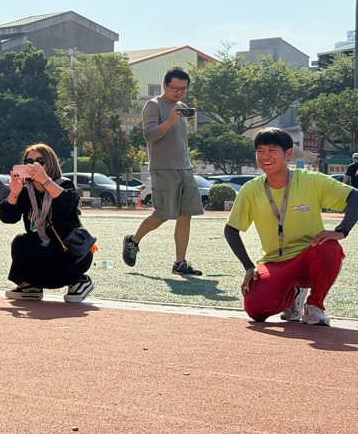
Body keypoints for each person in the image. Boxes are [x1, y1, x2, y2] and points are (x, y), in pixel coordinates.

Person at [224, 128, 358, 327]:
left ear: (287, 154)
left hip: (309, 257)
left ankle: (315, 306)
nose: (265, 156)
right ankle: (293, 295)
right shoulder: (251, 189)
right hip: (274, 262)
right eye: (260, 151)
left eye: (272, 150)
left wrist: (342, 230)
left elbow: (355, 196)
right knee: (256, 310)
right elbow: (230, 229)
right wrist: (248, 266)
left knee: (330, 246)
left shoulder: (311, 180)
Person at [122, 67, 204, 276]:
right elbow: (149, 135)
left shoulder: (182, 107)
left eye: (183, 89)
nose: (179, 92)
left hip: (185, 168)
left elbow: (180, 137)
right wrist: (170, 120)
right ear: (164, 85)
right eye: (175, 88)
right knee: (163, 214)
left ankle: (180, 263)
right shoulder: (153, 105)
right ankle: (133, 241)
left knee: (186, 215)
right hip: (163, 168)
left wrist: (188, 162)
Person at [0, 144, 94, 303]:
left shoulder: (63, 185)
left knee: (47, 247)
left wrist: (45, 181)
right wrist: (14, 194)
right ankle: (30, 285)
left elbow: (68, 205)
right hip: (43, 251)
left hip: (71, 251)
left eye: (40, 161)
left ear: (50, 163)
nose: (34, 165)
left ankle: (79, 281)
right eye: (29, 162)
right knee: (21, 241)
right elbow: (7, 218)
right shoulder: (26, 191)